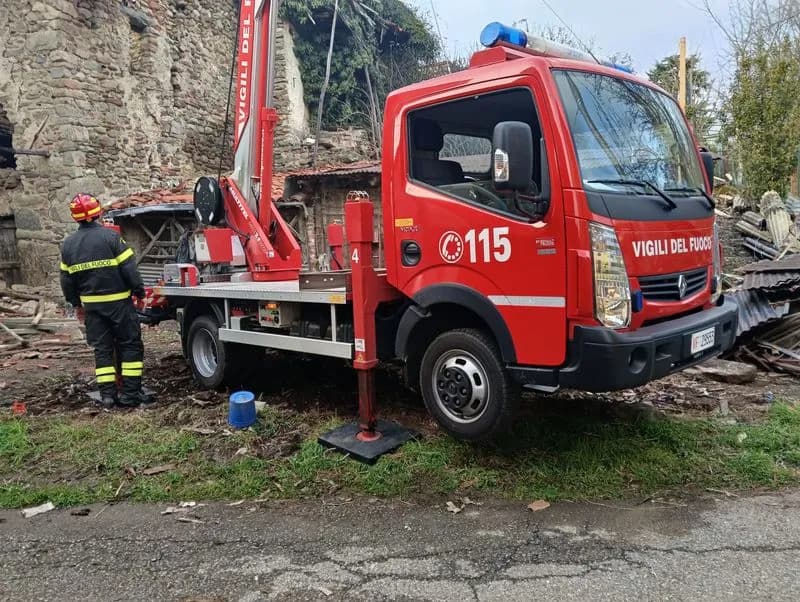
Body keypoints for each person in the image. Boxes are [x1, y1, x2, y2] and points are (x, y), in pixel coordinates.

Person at [59, 193, 153, 408]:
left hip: (92, 308)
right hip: (119, 305)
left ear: (75, 217)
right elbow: (129, 268)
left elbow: (66, 280)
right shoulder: (111, 238)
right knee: (129, 346)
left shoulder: (68, 245)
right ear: (98, 212)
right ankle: (130, 394)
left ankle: (108, 396)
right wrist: (139, 292)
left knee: (102, 350)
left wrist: (76, 305)